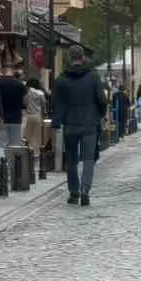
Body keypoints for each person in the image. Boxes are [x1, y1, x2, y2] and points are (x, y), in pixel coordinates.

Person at [51, 46, 107, 206]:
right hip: (90, 123)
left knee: (72, 159)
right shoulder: (93, 77)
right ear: (82, 57)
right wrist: (101, 115)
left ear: (70, 58)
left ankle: (74, 192)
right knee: (89, 158)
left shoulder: (62, 79)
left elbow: (56, 103)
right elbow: (102, 100)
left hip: (71, 124)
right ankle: (85, 190)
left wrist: (57, 121)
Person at [0, 65, 27, 161]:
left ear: (3, 71)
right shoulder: (20, 85)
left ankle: (2, 166)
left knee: (1, 144)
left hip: (2, 117)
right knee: (15, 144)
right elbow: (26, 102)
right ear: (13, 71)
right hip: (16, 118)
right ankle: (13, 168)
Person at [23, 78, 47, 162]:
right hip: (37, 115)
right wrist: (45, 113)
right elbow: (44, 105)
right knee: (37, 136)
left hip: (28, 115)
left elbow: (24, 103)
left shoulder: (27, 92)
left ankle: (28, 151)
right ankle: (36, 154)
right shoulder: (40, 93)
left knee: (28, 135)